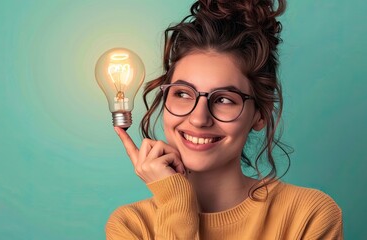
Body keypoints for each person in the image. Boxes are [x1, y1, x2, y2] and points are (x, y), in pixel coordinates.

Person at [106, 0, 343, 239]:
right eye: (183, 94)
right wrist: (176, 200)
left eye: (224, 100)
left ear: (260, 114)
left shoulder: (308, 215)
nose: (199, 118)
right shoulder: (131, 226)